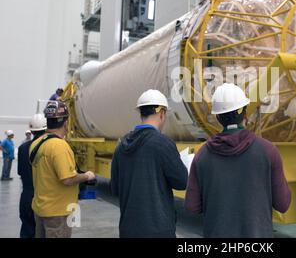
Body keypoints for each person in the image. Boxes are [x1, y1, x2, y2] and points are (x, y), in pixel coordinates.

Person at [185, 83, 292, 238]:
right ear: (245, 114)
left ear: (217, 117)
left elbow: (191, 207)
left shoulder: (202, 156)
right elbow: (283, 204)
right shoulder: (268, 150)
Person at [110, 89, 188, 238]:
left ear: (141, 113)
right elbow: (182, 182)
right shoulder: (162, 144)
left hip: (128, 230)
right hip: (158, 230)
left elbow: (115, 188)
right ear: (162, 113)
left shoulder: (121, 146)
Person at [30, 101, 95, 238]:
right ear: (66, 123)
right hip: (57, 212)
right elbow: (67, 179)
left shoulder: (36, 143)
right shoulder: (59, 146)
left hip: (41, 208)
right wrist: (87, 176)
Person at [17, 114, 47, 238]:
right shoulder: (48, 147)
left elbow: (20, 172)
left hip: (26, 196)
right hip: (42, 197)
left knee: (27, 229)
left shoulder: (22, 148)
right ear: (46, 128)